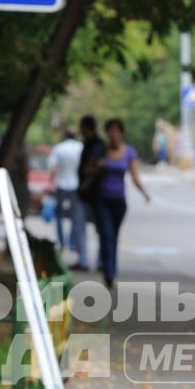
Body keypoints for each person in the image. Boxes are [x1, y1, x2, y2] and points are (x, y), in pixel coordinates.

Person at [92, 118, 152, 288]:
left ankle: (110, 268)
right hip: (101, 198)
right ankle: (108, 272)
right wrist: (98, 165)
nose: (113, 134)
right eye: (110, 130)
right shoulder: (100, 151)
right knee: (106, 234)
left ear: (121, 133)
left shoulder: (129, 152)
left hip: (118, 200)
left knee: (114, 236)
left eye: (116, 130)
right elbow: (87, 170)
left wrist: (144, 193)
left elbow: (135, 176)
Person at [47, 127, 86, 268]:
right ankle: (72, 241)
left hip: (62, 184)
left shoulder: (59, 148)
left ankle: (62, 240)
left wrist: (51, 184)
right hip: (76, 185)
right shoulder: (80, 148)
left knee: (59, 216)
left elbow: (53, 167)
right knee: (76, 218)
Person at [74, 114, 107, 270]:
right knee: (83, 226)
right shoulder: (89, 143)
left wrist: (89, 169)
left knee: (98, 228)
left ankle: (96, 260)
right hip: (86, 191)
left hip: (93, 191)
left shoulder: (97, 145)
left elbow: (93, 166)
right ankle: (85, 260)